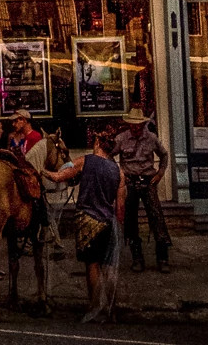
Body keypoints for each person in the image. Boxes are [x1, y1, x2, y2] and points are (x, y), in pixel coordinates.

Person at [47, 130, 124, 315]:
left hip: (87, 220)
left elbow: (59, 176)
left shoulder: (85, 161)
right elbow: (120, 208)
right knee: (109, 265)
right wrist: (118, 227)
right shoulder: (119, 171)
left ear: (97, 142)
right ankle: (111, 307)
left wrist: (39, 170)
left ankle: (95, 305)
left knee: (92, 264)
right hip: (108, 221)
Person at [111, 105, 171, 272]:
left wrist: (160, 173)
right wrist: (119, 175)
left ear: (143, 124)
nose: (136, 128)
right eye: (133, 125)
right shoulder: (121, 139)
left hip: (148, 181)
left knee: (157, 217)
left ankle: (163, 258)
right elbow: (109, 155)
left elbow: (164, 155)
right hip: (129, 182)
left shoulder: (151, 138)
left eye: (138, 125)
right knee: (130, 221)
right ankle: (137, 258)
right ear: (129, 124)